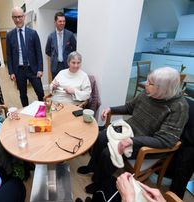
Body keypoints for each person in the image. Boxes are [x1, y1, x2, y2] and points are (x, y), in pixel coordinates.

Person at [77, 67, 189, 201]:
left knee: (109, 153)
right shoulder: (148, 93)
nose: (145, 83)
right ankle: (93, 167)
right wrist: (110, 109)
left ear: (163, 89)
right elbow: (129, 107)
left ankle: (100, 181)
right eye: (148, 80)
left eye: (150, 83)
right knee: (101, 137)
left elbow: (166, 140)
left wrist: (132, 141)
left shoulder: (179, 107)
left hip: (146, 143)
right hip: (129, 131)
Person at [6, 6, 45, 107]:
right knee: (23, 94)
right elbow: (9, 55)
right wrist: (11, 72)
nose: (18, 19)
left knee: (40, 92)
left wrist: (40, 69)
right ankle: (26, 112)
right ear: (12, 18)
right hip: (19, 70)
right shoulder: (9, 35)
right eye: (15, 17)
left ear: (24, 17)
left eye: (20, 16)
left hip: (33, 69)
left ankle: (42, 110)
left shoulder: (33, 33)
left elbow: (38, 52)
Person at [45, 12, 77, 79]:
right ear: (55, 22)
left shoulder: (70, 35)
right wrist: (54, 56)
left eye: (64, 21)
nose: (62, 23)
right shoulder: (51, 36)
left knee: (67, 86)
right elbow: (47, 51)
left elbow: (74, 49)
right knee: (56, 86)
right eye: (60, 21)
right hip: (55, 67)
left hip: (67, 65)